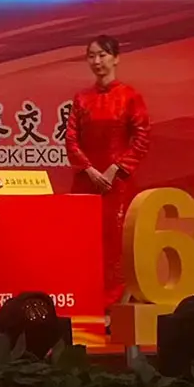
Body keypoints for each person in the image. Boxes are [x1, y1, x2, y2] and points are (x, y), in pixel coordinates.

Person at [66, 35, 151, 310]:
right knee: (84, 240)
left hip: (118, 183)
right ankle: (86, 299)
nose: (97, 61)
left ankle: (116, 304)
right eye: (91, 56)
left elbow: (142, 137)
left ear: (116, 58)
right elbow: (71, 139)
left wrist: (115, 169)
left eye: (102, 55)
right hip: (86, 181)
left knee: (116, 241)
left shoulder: (130, 96)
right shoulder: (81, 98)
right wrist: (90, 170)